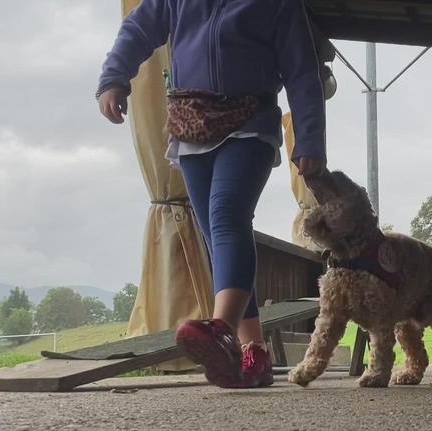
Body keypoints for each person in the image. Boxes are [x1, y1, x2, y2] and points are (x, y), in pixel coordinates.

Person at [96, 0, 327, 388]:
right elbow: (138, 29)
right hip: (190, 125)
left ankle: (220, 330)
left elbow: (302, 71)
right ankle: (252, 354)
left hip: (250, 121)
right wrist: (114, 77)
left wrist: (309, 141)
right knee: (217, 239)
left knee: (227, 217)